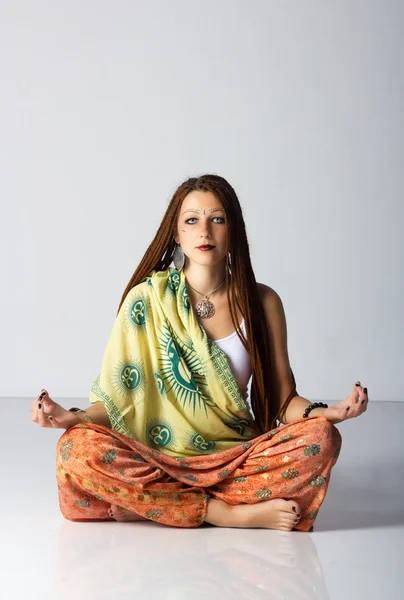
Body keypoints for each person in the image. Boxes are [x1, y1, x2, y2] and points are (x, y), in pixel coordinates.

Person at [31, 174, 368, 532]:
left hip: (232, 456)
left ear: (233, 229)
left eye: (217, 219)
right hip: (155, 457)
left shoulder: (262, 303)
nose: (204, 231)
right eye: (191, 220)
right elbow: (119, 404)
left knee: (322, 439)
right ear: (176, 234)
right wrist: (72, 418)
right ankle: (220, 512)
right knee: (76, 449)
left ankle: (153, 502)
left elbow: (283, 401)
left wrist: (326, 412)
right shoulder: (147, 300)